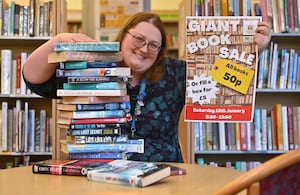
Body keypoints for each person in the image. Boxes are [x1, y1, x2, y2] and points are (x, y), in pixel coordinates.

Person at [23, 12, 271, 162]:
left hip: (165, 180)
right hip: (99, 177)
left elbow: (227, 85)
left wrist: (250, 51)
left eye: (154, 45)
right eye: (139, 39)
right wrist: (57, 42)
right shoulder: (94, 67)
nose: (144, 48)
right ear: (123, 36)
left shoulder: (176, 72)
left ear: (160, 51)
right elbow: (36, 81)